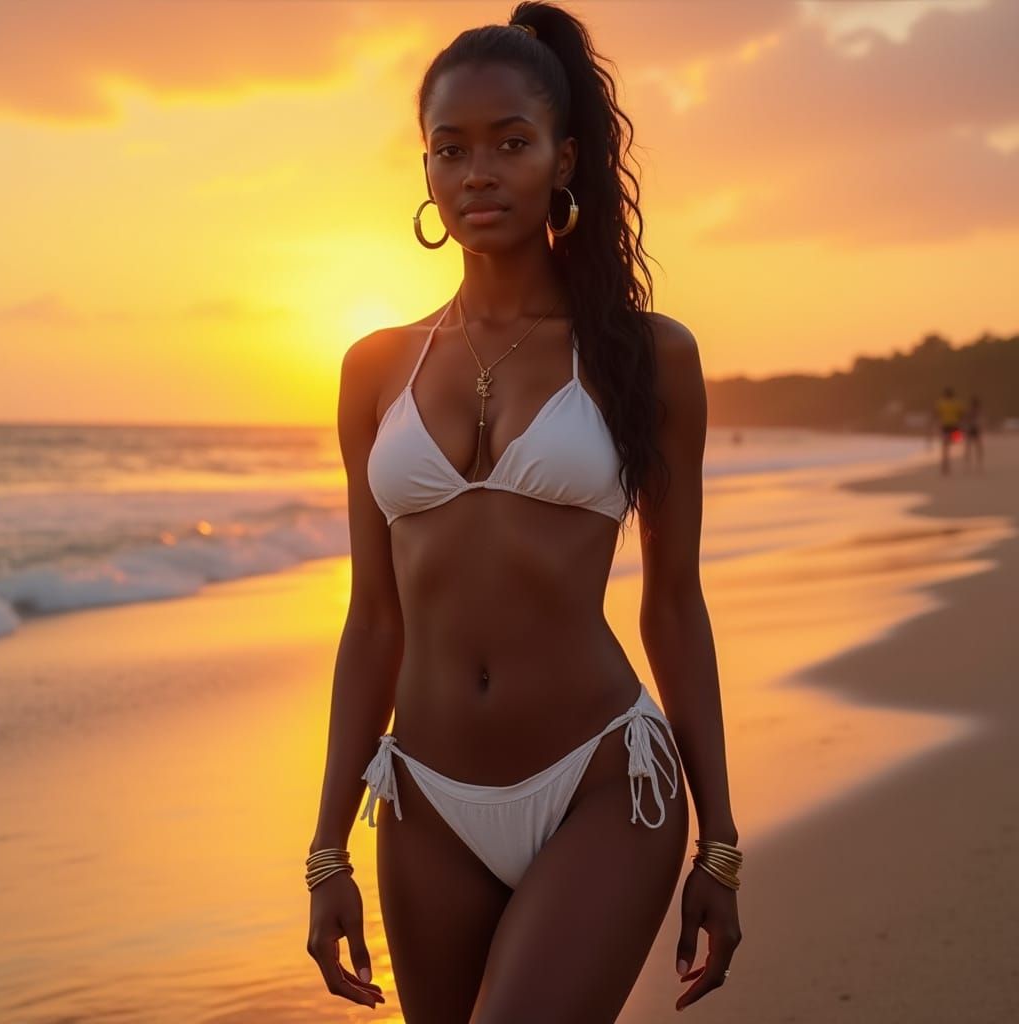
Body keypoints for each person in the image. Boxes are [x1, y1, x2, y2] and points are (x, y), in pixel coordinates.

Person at [305, 4, 742, 1020]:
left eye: (510, 143)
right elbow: (374, 616)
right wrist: (327, 846)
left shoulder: (647, 355)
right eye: (449, 149)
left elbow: (673, 603)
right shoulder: (375, 367)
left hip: (601, 778)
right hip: (421, 797)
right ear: (424, 172)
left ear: (563, 158)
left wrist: (718, 842)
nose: (477, 172)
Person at [934, 385, 966, 476]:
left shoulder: (943, 403)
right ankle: (946, 464)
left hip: (950, 426)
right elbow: (962, 415)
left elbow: (937, 414)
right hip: (950, 426)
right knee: (949, 444)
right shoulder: (952, 403)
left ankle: (946, 463)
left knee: (950, 444)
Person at [962, 395, 985, 473]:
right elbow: (966, 420)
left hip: (972, 429)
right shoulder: (973, 411)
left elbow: (966, 420)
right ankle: (974, 465)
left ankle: (973, 464)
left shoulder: (974, 411)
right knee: (974, 447)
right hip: (972, 429)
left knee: (972, 447)